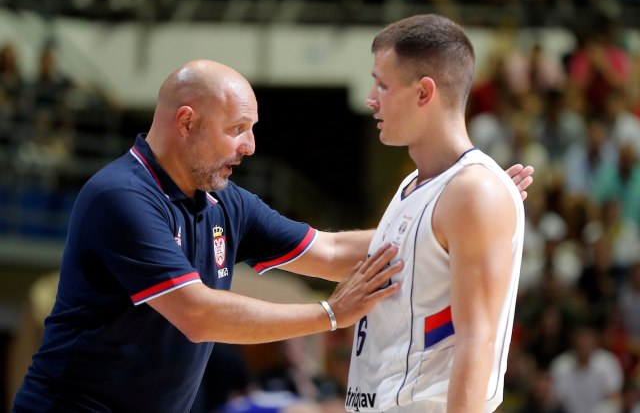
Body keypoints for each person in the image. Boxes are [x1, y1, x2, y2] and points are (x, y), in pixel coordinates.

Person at [12, 59, 532, 412]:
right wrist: (330, 314)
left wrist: (458, 215)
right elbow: (198, 314)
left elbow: (331, 251)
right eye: (237, 129)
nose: (251, 146)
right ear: (186, 122)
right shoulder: (120, 196)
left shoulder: (223, 200)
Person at [345, 14, 527, 412]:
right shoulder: (418, 185)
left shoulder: (474, 191)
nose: (371, 98)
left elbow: (475, 341)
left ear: (424, 92)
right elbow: (343, 254)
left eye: (382, 84)